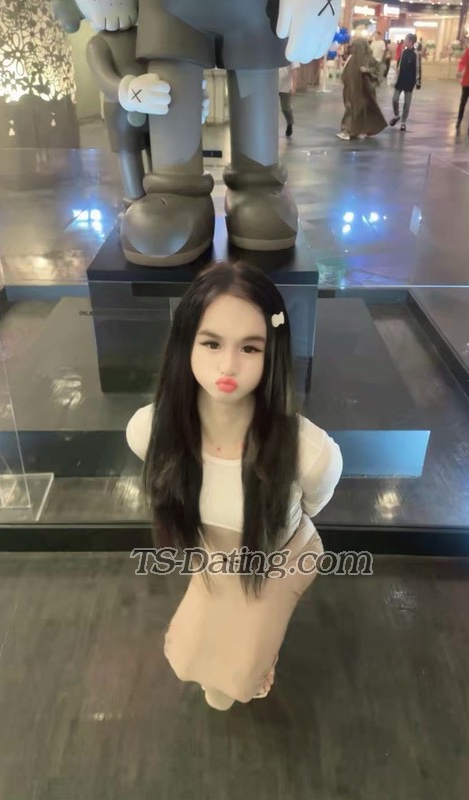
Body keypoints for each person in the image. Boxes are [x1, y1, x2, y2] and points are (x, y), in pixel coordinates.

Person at [126, 261, 343, 711]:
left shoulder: (310, 453)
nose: (228, 365)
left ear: (271, 352)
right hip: (213, 556)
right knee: (189, 657)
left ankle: (261, 650)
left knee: (234, 681)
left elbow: (311, 508)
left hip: (278, 557)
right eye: (211, 343)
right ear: (186, 342)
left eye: (250, 348)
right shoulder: (150, 432)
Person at [337, 37, 387, 141]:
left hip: (363, 90)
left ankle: (351, 130)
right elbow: (345, 74)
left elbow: (380, 68)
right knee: (353, 109)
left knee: (358, 110)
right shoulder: (352, 58)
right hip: (353, 89)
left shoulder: (368, 58)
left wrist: (368, 70)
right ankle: (355, 130)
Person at [389, 33, 421, 132]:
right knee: (395, 99)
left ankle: (403, 122)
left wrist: (418, 81)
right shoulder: (403, 52)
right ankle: (397, 115)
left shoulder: (416, 54)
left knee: (407, 103)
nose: (404, 41)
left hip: (410, 81)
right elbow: (399, 65)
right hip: (400, 79)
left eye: (406, 39)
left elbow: (418, 68)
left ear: (410, 41)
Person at [279, 61, 300, 138]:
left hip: (286, 85)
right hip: (273, 83)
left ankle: (289, 123)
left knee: (285, 108)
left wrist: (294, 85)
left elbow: (294, 69)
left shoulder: (291, 55)